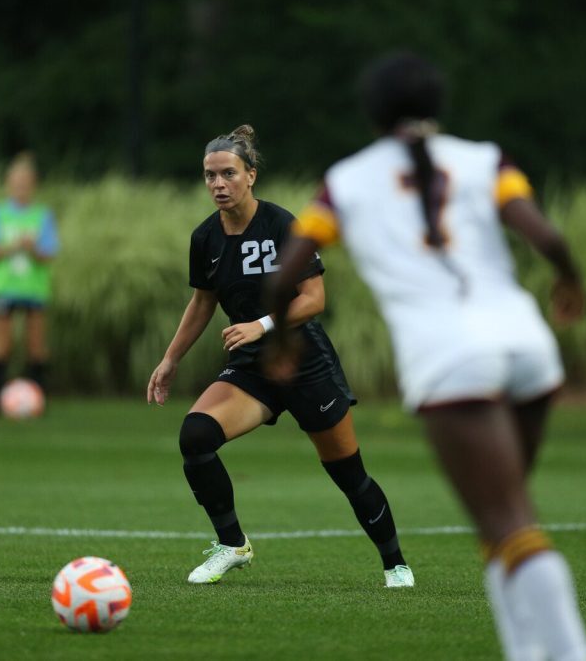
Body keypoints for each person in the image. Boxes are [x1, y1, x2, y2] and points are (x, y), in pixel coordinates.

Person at [265, 53, 586, 660]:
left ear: (372, 114)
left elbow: (285, 275)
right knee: (504, 521)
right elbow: (547, 237)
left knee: (510, 523)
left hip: (451, 362)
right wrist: (569, 281)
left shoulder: (345, 182)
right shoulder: (486, 158)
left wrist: (282, 340)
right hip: (529, 347)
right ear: (437, 106)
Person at [146, 125, 414, 588]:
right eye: (210, 176)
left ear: (250, 175)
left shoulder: (281, 224)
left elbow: (313, 298)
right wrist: (170, 360)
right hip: (254, 369)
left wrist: (262, 324)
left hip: (305, 362)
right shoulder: (205, 238)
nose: (218, 184)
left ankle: (396, 565)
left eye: (228, 173)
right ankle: (232, 545)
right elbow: (202, 304)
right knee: (195, 436)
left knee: (348, 473)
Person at [0, 152, 59, 414]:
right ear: (8, 184)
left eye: (26, 183)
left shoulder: (42, 216)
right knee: (2, 344)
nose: (21, 187)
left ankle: (38, 399)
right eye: (16, 182)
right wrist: (11, 247)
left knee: (36, 346)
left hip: (33, 289)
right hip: (5, 287)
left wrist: (33, 249)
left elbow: (49, 254)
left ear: (33, 184)